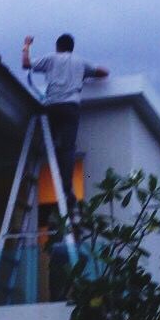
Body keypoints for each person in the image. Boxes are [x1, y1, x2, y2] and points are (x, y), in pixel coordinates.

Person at [21, 33, 109, 207]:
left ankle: (36, 176)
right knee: (67, 149)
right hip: (70, 107)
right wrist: (83, 75)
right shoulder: (79, 62)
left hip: (52, 107)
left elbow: (26, 64)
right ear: (71, 47)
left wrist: (26, 45)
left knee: (50, 145)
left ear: (57, 46)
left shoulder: (51, 58)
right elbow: (104, 72)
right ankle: (67, 189)